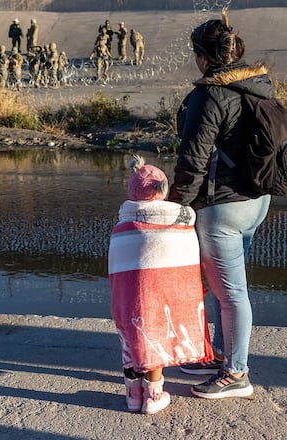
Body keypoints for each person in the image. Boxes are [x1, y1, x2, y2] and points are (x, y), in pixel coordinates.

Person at [166, 8, 272, 399]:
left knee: (230, 293)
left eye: (195, 53)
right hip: (257, 200)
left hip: (223, 207)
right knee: (226, 285)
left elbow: (192, 159)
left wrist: (174, 207)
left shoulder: (209, 94)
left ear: (204, 56)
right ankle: (222, 355)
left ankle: (237, 373)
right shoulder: (258, 84)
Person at [108, 155, 214, 414]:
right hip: (159, 296)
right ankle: (153, 396)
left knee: (130, 337)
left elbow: (115, 266)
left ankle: (133, 395)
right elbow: (186, 261)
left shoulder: (121, 227)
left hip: (126, 296)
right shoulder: (181, 220)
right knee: (153, 337)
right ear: (163, 190)